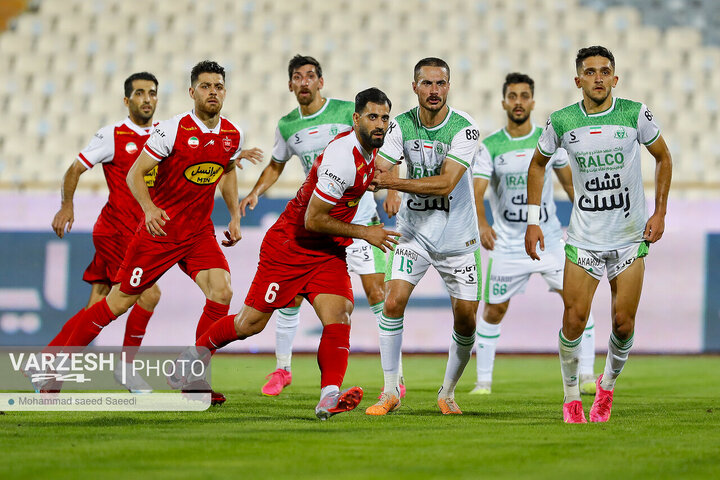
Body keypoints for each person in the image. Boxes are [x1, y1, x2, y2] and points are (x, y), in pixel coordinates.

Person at [187, 88, 397, 420]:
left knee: (340, 313)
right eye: (372, 117)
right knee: (249, 325)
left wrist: (393, 181)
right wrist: (365, 232)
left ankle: (328, 395)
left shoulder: (377, 141)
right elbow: (313, 219)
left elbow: (395, 154)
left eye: (385, 117)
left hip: (326, 250)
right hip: (291, 246)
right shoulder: (342, 156)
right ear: (355, 119)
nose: (381, 124)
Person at [58, 61, 260, 405]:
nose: (213, 92)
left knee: (222, 291)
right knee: (117, 303)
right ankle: (53, 369)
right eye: (206, 86)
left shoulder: (232, 133)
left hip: (198, 233)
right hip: (160, 232)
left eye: (219, 86)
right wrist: (150, 209)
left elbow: (226, 172)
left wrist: (233, 215)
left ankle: (193, 378)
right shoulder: (171, 130)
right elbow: (135, 174)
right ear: (192, 92)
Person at [239, 55, 403, 398]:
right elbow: (276, 164)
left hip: (361, 218)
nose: (304, 82)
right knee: (291, 296)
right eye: (297, 77)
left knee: (379, 296)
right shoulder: (287, 126)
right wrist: (254, 192)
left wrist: (391, 187)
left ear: (321, 82)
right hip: (321, 219)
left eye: (310, 76)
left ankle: (394, 380)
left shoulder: (350, 111)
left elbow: (387, 138)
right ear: (290, 85)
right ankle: (283, 368)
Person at [525, 46, 672, 423]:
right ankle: (571, 394)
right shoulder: (561, 121)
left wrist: (660, 211)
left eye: (605, 71)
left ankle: (605, 388)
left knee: (623, 324)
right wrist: (533, 219)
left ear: (615, 78)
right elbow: (538, 164)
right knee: (574, 320)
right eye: (590, 72)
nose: (598, 78)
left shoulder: (634, 114)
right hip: (584, 238)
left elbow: (664, 157)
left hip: (628, 237)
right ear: (578, 81)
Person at [470, 72, 597, 396]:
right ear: (503, 102)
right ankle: (483, 383)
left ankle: (586, 374)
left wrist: (587, 219)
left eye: (524, 96)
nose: (518, 102)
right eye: (512, 96)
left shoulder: (547, 138)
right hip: (508, 241)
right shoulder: (491, 145)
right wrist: (483, 224)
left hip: (550, 238)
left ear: (533, 102)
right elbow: (478, 191)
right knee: (494, 310)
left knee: (576, 301)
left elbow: (570, 184)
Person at [367, 58, 481, 416]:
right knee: (392, 302)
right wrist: (383, 181)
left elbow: (447, 184)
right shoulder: (400, 124)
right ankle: (389, 391)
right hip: (413, 234)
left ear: (449, 86)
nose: (434, 91)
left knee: (466, 320)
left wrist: (393, 183)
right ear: (414, 86)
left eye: (441, 84)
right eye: (427, 84)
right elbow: (379, 168)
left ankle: (447, 393)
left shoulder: (465, 129)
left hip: (457, 240)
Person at [48, 72, 162, 394]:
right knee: (150, 294)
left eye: (152, 93)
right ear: (127, 101)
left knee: (97, 302)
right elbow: (75, 169)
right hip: (116, 232)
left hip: (139, 233)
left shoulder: (165, 134)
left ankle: (48, 362)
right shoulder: (112, 135)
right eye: (139, 93)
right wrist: (66, 206)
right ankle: (126, 370)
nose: (147, 99)